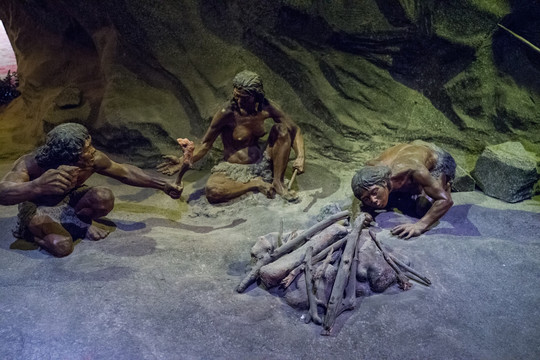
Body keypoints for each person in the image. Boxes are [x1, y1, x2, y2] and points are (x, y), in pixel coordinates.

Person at [0, 123, 183, 257]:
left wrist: (163, 185)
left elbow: (125, 172)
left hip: (70, 199)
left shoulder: (93, 159)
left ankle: (76, 222)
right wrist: (36, 186)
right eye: (87, 149)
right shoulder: (32, 164)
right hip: (39, 207)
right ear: (71, 155)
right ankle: (36, 233)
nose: (93, 151)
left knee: (103, 197)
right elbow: (3, 192)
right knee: (62, 246)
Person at [157, 70, 305, 203]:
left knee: (282, 130)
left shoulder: (266, 107)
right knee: (213, 191)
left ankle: (278, 183)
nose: (239, 101)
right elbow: (205, 144)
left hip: (262, 160)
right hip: (234, 168)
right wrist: (183, 160)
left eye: (244, 98)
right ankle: (254, 184)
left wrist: (300, 156)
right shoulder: (226, 113)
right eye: (236, 96)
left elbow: (294, 130)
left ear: (256, 96)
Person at [351, 140, 455, 239]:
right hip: (407, 150)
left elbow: (445, 200)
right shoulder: (370, 172)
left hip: (436, 161)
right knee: (398, 198)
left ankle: (446, 184)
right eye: (367, 199)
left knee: (422, 207)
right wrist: (358, 214)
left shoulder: (412, 169)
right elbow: (360, 194)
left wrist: (419, 226)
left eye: (374, 193)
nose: (373, 200)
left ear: (383, 183)